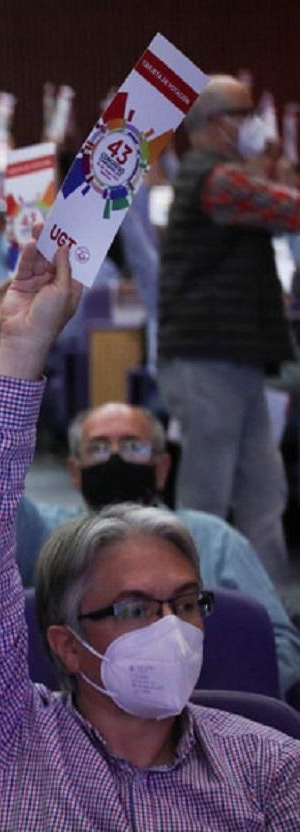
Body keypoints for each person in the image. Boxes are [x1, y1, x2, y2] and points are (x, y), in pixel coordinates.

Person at [0, 236, 300, 828]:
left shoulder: (269, 765)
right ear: (68, 644)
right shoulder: (2, 741)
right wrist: (21, 350)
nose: (170, 627)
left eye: (185, 603)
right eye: (133, 609)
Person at [12, 401, 300, 702]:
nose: (114, 458)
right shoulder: (49, 534)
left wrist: (213, 707)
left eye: (132, 446)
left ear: (161, 468)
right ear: (75, 471)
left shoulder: (216, 540)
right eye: (98, 448)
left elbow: (279, 643)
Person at [157, 74, 300, 580]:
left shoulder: (217, 175)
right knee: (205, 499)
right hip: (208, 357)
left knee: (264, 491)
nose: (256, 123)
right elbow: (288, 208)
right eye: (247, 113)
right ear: (218, 124)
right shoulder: (214, 177)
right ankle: (193, 606)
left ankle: (272, 616)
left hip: (230, 357)